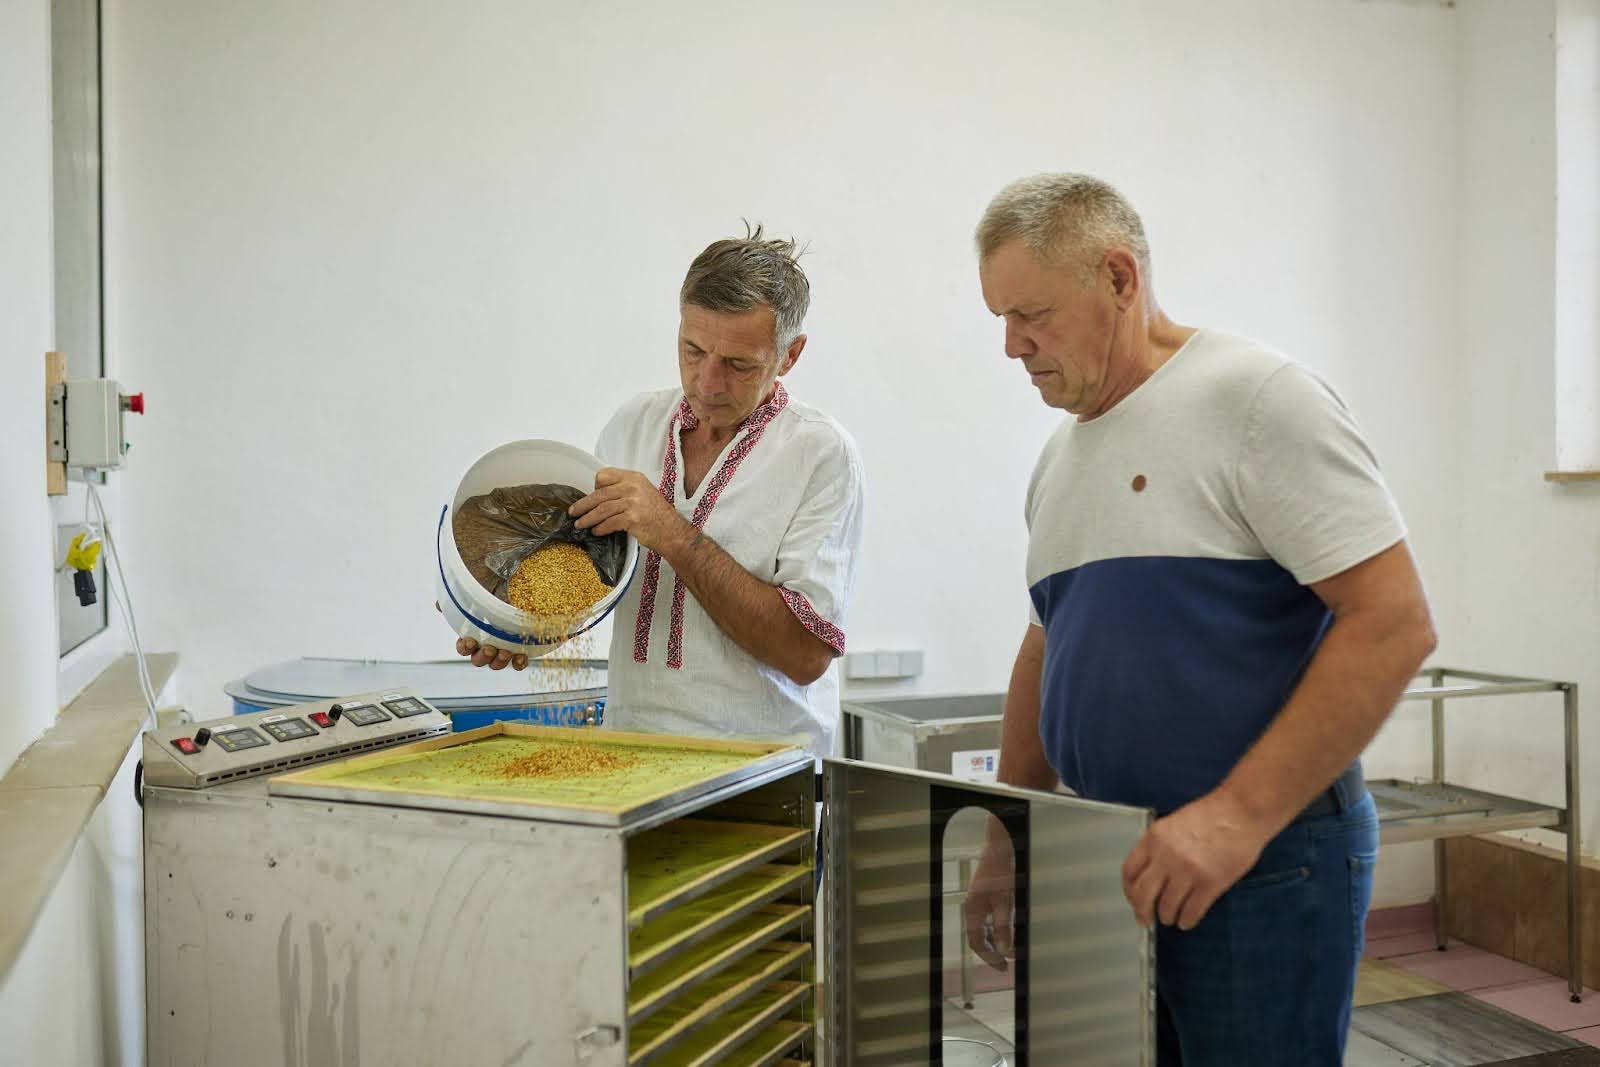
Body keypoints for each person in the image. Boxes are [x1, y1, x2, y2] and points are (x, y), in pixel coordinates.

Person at [961, 174, 1436, 1064]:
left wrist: (1234, 818)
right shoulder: (1059, 458)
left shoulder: (1253, 399)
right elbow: (1045, 646)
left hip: (1265, 858)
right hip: (1120, 855)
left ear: (1118, 277)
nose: (1012, 345)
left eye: (1032, 313)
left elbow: (1394, 620)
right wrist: (1007, 839)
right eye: (999, 318)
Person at [456, 225, 865, 760]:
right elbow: (586, 577)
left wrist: (671, 531)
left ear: (790, 356)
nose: (707, 383)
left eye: (739, 364)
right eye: (693, 350)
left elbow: (806, 654)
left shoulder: (820, 454)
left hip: (758, 770)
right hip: (630, 753)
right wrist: (515, 629)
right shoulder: (633, 426)